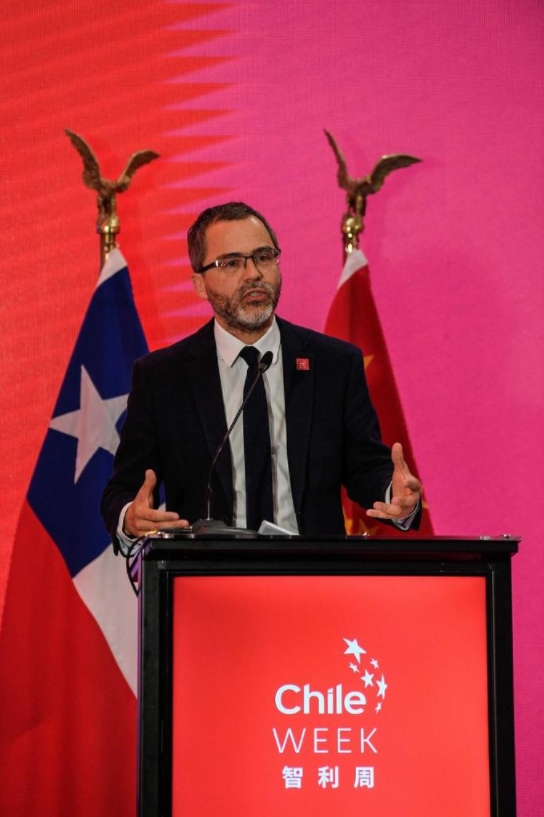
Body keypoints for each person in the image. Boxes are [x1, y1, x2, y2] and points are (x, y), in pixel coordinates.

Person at [101, 202, 421, 550]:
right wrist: (129, 518)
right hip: (206, 582)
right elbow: (124, 488)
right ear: (200, 284)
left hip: (312, 580)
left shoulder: (334, 364)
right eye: (232, 263)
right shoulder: (162, 377)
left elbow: (365, 466)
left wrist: (396, 494)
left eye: (264, 257)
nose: (253, 273)